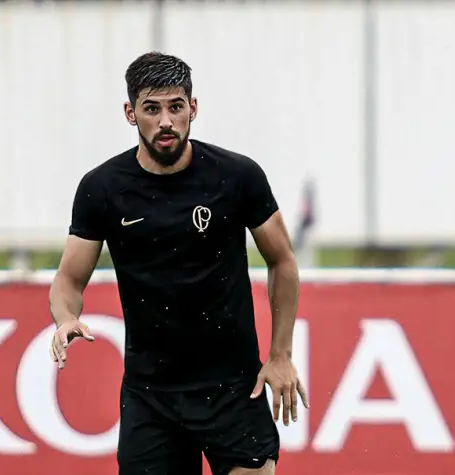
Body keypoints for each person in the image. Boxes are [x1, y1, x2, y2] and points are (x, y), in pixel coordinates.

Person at [47, 51, 306, 475]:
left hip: (236, 389)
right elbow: (68, 280)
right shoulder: (102, 189)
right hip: (152, 396)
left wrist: (280, 355)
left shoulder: (237, 177)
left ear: (193, 108)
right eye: (152, 108)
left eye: (175, 106)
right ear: (131, 113)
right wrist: (65, 317)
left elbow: (283, 261)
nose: (165, 121)